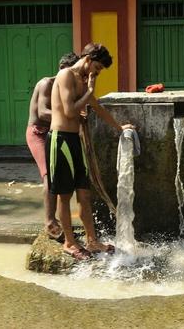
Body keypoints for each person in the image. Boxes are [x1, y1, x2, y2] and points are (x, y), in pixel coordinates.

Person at [47, 43, 134, 260]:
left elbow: (96, 106)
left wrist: (119, 127)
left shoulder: (82, 80)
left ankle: (92, 241)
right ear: (88, 59)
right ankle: (69, 242)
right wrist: (90, 91)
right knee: (65, 196)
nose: (97, 73)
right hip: (60, 141)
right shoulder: (66, 75)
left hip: (75, 140)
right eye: (97, 67)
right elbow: (69, 111)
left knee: (84, 194)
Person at [26, 52, 79, 241]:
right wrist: (69, 114)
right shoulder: (46, 83)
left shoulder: (68, 86)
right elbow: (43, 111)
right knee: (49, 176)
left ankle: (56, 219)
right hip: (38, 133)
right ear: (63, 68)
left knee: (58, 176)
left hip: (54, 134)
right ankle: (49, 221)